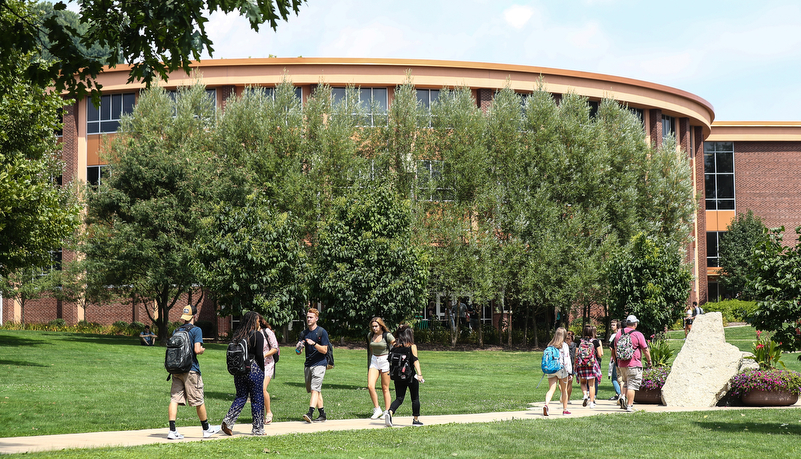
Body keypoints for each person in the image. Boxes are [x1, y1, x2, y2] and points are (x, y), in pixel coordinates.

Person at [167, 305, 220, 440]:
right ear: (194, 316)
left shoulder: (176, 330)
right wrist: (202, 349)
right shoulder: (196, 330)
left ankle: (172, 431)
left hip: (176, 369)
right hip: (191, 370)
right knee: (198, 399)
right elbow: (197, 349)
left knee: (174, 399)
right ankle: (206, 429)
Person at [221, 311, 267, 436]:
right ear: (253, 321)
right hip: (254, 370)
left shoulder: (238, 335)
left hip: (239, 371)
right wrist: (263, 369)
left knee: (241, 396)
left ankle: (228, 420)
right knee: (257, 399)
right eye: (258, 320)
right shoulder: (257, 335)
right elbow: (259, 355)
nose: (259, 322)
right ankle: (258, 429)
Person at [385, 324, 424, 427]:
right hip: (410, 376)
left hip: (397, 375)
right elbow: (415, 360)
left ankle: (390, 412)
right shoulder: (411, 346)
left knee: (399, 398)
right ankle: (416, 420)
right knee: (415, 398)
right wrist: (419, 374)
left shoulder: (395, 346)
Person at [611, 315, 653, 413]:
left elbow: (616, 349)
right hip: (634, 363)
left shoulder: (618, 334)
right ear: (635, 323)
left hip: (621, 364)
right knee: (632, 385)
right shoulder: (638, 334)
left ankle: (623, 398)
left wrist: (618, 360)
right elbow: (645, 349)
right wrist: (649, 360)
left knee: (625, 383)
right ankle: (630, 405)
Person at [296, 307, 330, 423]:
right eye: (307, 317)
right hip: (308, 364)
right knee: (315, 390)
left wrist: (314, 343)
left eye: (311, 317)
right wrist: (298, 348)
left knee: (315, 389)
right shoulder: (303, 333)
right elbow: (298, 353)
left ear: (316, 318)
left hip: (320, 363)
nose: (308, 319)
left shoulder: (322, 332)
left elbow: (325, 350)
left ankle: (310, 413)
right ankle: (322, 414)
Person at [367, 317, 395, 420]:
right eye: (373, 326)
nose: (374, 328)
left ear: (381, 325)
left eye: (376, 326)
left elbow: (395, 344)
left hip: (385, 361)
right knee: (370, 385)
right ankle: (377, 409)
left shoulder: (387, 335)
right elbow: (371, 348)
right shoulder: (370, 335)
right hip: (374, 361)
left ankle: (387, 411)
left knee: (385, 388)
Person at [543, 327, 572, 416]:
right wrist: (569, 371)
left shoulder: (550, 345)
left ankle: (546, 404)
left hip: (551, 369)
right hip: (562, 369)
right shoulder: (564, 345)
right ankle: (565, 409)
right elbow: (566, 359)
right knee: (564, 390)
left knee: (551, 389)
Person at [574, 325, 603, 409]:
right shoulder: (595, 342)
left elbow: (576, 354)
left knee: (583, 382)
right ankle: (591, 403)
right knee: (591, 384)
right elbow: (599, 354)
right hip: (591, 365)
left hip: (581, 364)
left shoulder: (579, 341)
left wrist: (575, 364)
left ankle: (585, 395)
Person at [259, 316, 279, 425]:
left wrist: (264, 355)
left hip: (268, 363)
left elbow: (274, 348)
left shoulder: (267, 332)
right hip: (256, 364)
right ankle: (259, 414)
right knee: (256, 390)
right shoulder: (251, 333)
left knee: (262, 388)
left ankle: (268, 412)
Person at [607, 320, 623, 401]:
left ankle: (619, 393)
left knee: (614, 378)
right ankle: (620, 394)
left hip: (616, 359)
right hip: (625, 359)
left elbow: (611, 347)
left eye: (614, 325)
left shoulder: (614, 335)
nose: (612, 326)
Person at [565, 330, 577, 403]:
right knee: (570, 383)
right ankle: (568, 398)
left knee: (562, 383)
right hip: (572, 365)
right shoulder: (575, 345)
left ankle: (563, 395)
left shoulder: (562, 345)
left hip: (564, 365)